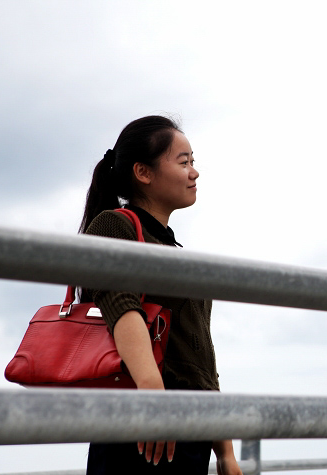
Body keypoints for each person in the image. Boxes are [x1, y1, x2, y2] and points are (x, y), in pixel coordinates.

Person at [79, 115, 242, 475]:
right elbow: (122, 307)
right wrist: (154, 396)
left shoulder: (173, 253)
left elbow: (201, 364)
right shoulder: (114, 224)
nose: (194, 172)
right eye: (184, 162)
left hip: (187, 428)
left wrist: (226, 452)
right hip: (143, 422)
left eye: (193, 162)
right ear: (143, 172)